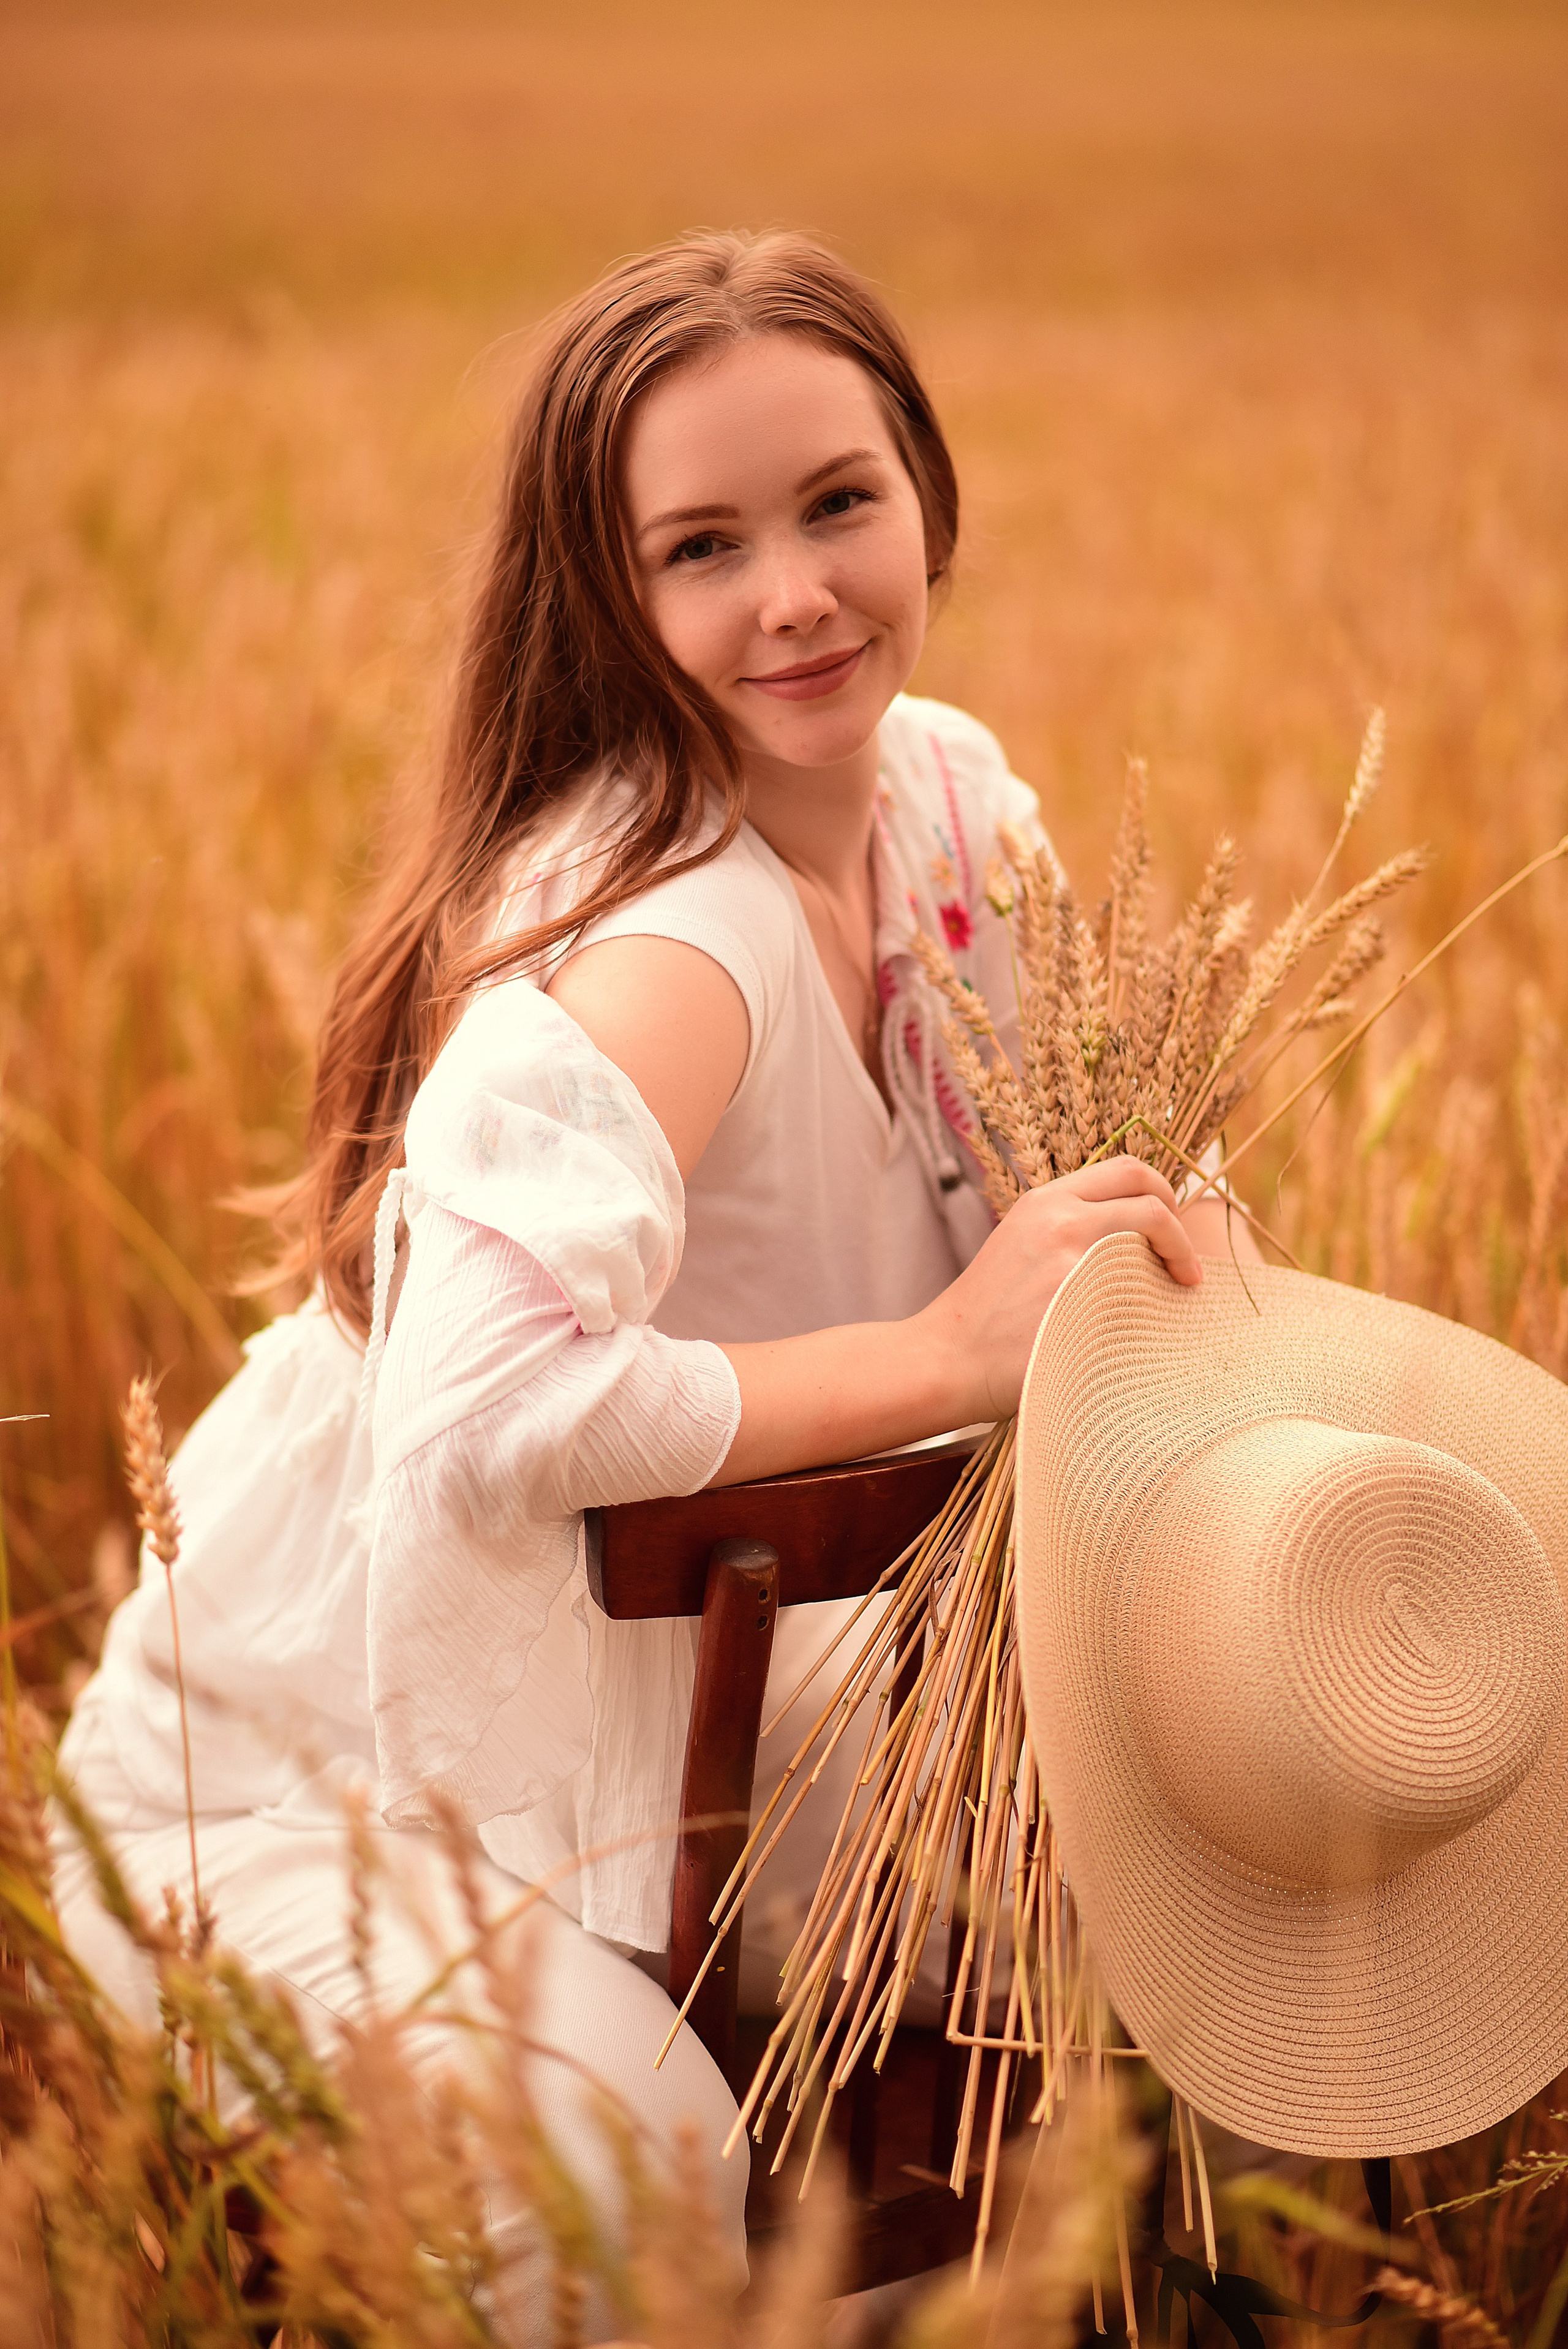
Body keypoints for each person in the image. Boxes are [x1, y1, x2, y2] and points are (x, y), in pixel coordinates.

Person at [52, 229, 1237, 2336]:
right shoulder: (673, 945)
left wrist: (1167, 1243)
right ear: (616, 601)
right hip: (330, 1773)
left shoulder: (951, 804)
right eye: (703, 546)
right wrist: (950, 1352)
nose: (793, 590)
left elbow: (1070, 1128)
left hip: (711, 1694)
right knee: (641, 2203)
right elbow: (489, 1410)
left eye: (839, 503)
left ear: (932, 503)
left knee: (1111, 2041)